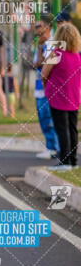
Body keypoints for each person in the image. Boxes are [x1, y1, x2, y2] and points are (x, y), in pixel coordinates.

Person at [42, 23, 81, 171]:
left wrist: (48, 88)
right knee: (72, 129)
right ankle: (72, 160)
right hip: (74, 97)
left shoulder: (55, 54)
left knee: (61, 129)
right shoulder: (77, 56)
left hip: (58, 97)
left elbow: (44, 74)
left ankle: (64, 161)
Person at [33, 17, 60, 159]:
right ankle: (50, 147)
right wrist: (38, 48)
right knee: (42, 118)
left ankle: (55, 148)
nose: (37, 29)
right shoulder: (40, 44)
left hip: (49, 87)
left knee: (50, 118)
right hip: (39, 87)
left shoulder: (54, 43)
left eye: (39, 26)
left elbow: (49, 65)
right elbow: (37, 64)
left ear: (48, 27)